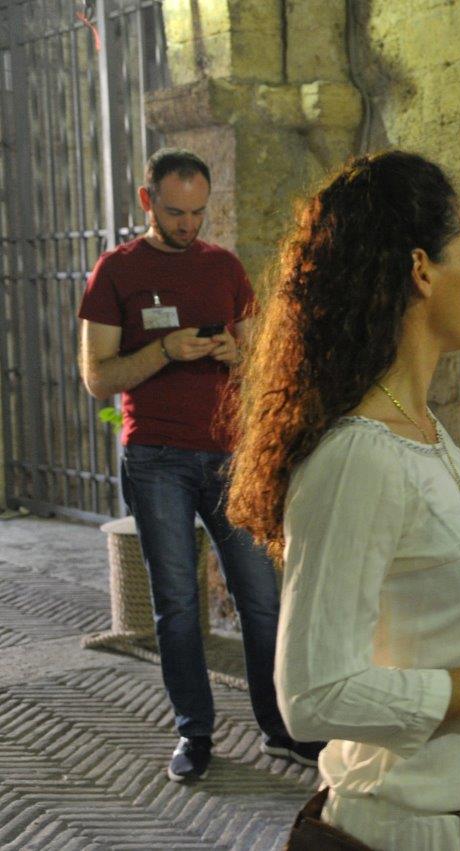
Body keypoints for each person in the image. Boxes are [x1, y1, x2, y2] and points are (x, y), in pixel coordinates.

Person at [226, 150, 460, 850]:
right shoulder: (359, 455)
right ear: (422, 270)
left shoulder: (424, 429)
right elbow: (313, 695)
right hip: (415, 826)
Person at [77, 147, 318, 783]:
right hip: (156, 458)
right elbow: (97, 377)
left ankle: (281, 730)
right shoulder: (116, 271)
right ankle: (195, 731)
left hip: (229, 456)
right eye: (175, 212)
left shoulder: (224, 267)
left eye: (198, 213)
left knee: (261, 599)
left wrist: (237, 356)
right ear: (147, 199)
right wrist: (164, 351)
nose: (188, 225)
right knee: (178, 604)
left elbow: (260, 359)